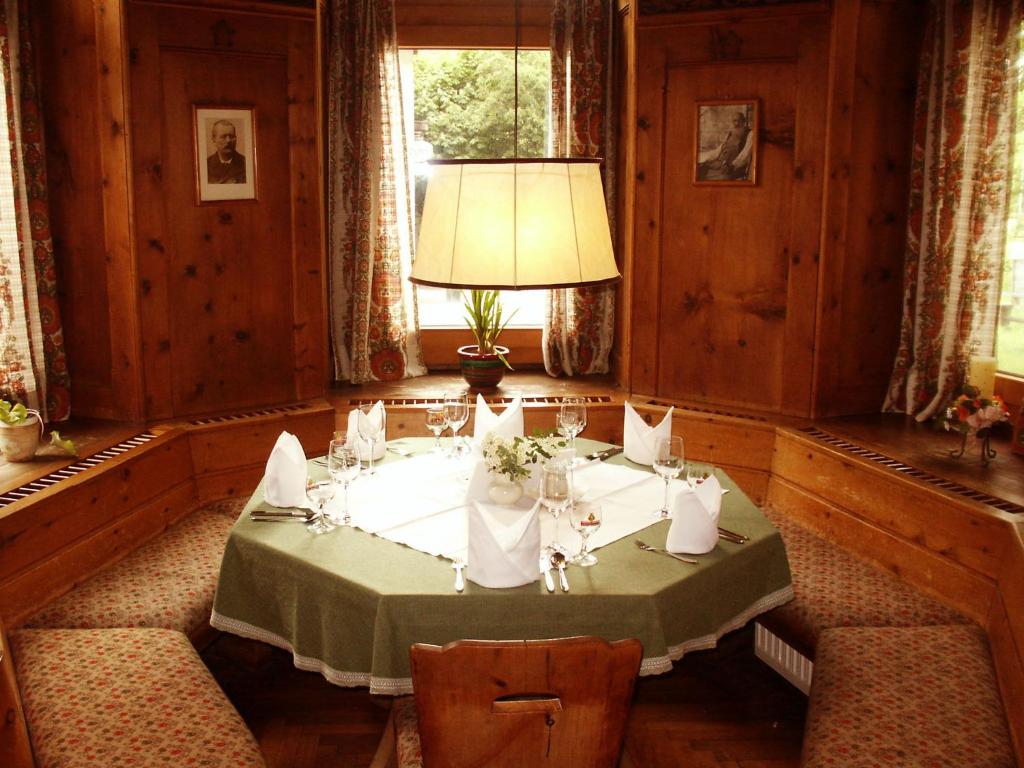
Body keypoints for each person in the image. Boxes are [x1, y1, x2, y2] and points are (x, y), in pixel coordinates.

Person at [697, 110, 753, 182]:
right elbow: (718, 151)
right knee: (700, 169)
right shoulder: (730, 134)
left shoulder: (750, 134)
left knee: (712, 179)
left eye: (739, 120)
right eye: (734, 121)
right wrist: (706, 158)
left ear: (744, 121)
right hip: (720, 165)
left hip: (734, 169)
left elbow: (744, 155)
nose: (736, 124)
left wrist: (732, 166)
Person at [206, 120, 246, 184]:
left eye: (232, 136)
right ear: (214, 139)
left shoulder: (245, 163)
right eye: (223, 137)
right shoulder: (206, 165)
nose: (228, 140)